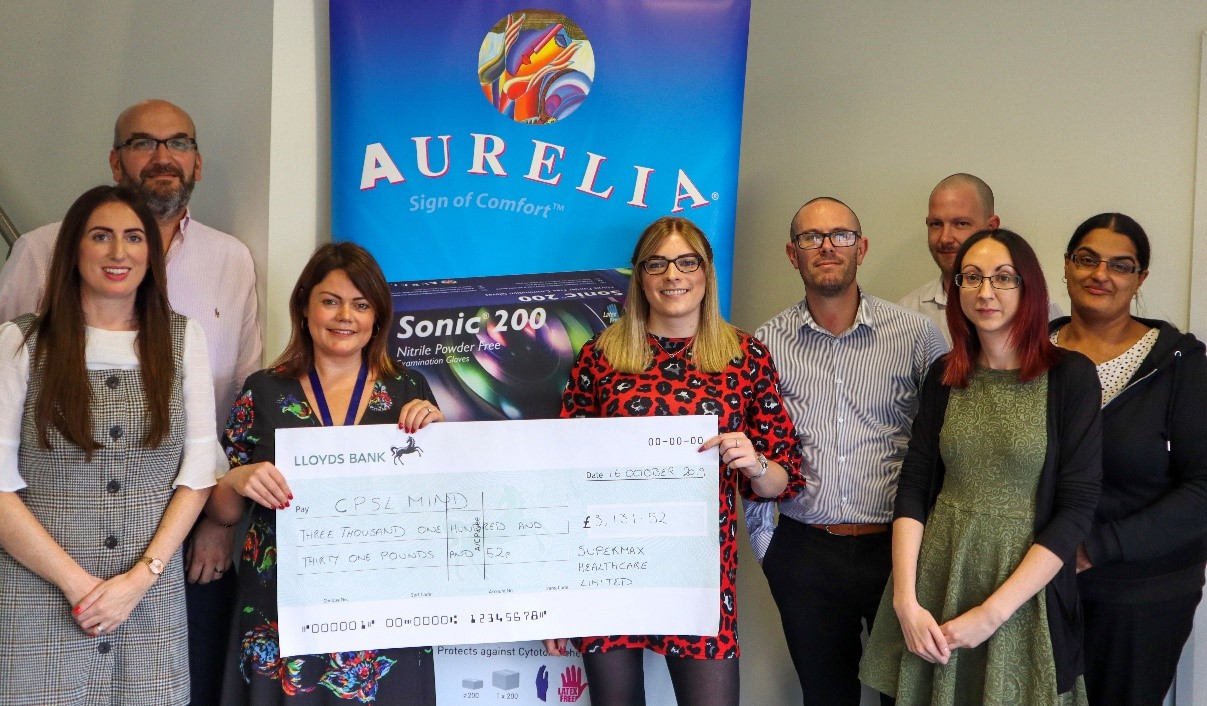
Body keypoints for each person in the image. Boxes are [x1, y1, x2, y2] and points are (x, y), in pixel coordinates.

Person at [0, 98, 261, 704]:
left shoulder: (186, 329)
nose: (118, 253)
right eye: (100, 237)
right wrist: (76, 583)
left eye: (133, 239)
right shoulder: (23, 336)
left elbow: (203, 462)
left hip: (154, 582)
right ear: (74, 249)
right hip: (39, 587)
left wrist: (140, 579)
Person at [544, 215, 805, 706]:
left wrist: (754, 463)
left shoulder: (745, 355)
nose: (673, 276)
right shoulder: (599, 356)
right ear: (639, 277)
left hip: (701, 576)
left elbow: (784, 482)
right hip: (609, 568)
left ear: (706, 273)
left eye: (687, 263)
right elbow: (565, 481)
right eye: (657, 264)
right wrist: (559, 602)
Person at [860, 228, 1102, 705]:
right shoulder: (945, 374)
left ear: (1028, 288)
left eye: (1003, 278)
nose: (985, 291)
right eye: (971, 278)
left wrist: (991, 614)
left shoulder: (1070, 377)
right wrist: (905, 601)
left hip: (1023, 592)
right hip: (938, 574)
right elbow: (913, 485)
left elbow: (1075, 511)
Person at [207, 242, 442, 705]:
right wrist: (236, 479)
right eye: (330, 301)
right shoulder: (264, 390)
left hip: (383, 600)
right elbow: (223, 513)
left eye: (361, 304)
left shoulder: (408, 389)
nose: (344, 316)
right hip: (279, 600)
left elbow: (436, 498)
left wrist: (437, 437)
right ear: (305, 306)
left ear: (377, 317)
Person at [748, 197, 946, 706]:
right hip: (805, 551)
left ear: (861, 247)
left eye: (839, 235)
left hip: (898, 553)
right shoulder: (764, 346)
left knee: (906, 696)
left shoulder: (918, 336)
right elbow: (758, 452)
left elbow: (947, 445)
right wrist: (769, 549)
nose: (826, 247)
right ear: (793, 255)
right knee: (825, 697)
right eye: (811, 238)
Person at [1049, 213, 1207, 705]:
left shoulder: (1181, 363)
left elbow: (1203, 489)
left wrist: (1095, 547)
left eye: (1121, 265)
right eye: (1087, 259)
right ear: (1067, 266)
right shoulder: (1029, 351)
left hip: (1140, 595)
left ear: (1140, 279)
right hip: (1036, 589)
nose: (1101, 274)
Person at [897, 173, 1000, 343]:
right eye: (936, 224)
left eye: (961, 224)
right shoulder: (906, 314)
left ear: (991, 227)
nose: (945, 238)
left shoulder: (1034, 308)